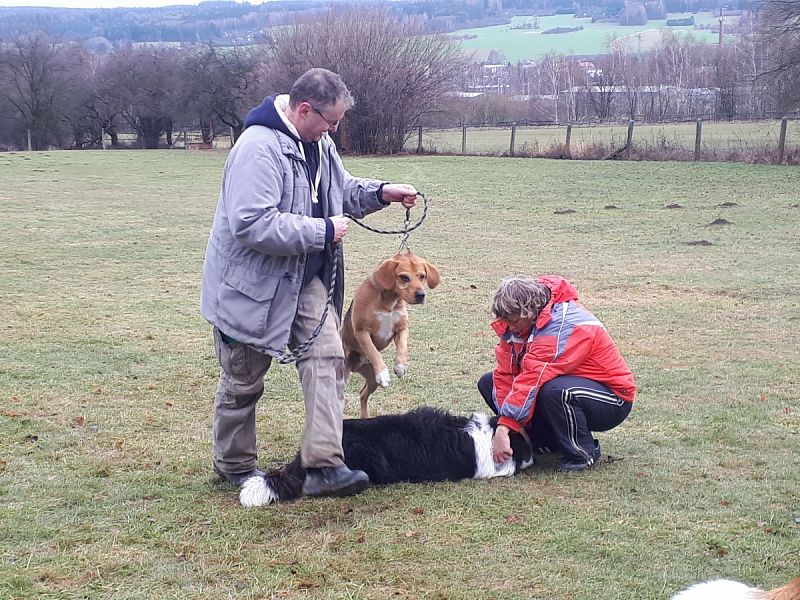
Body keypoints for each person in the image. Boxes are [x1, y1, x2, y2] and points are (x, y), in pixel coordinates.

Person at [200, 68, 418, 497]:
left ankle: (323, 465)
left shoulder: (320, 142)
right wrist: (322, 232)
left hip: (307, 280)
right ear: (304, 109)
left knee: (328, 362)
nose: (334, 129)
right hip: (251, 289)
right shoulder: (258, 150)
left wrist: (381, 193)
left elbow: (339, 192)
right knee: (244, 380)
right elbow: (251, 223)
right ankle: (234, 463)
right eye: (330, 121)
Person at [477, 275, 636, 472]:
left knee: (556, 391)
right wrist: (513, 427)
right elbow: (506, 375)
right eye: (506, 321)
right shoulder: (519, 327)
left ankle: (583, 452)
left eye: (514, 320)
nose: (510, 327)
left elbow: (532, 378)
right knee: (489, 382)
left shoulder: (563, 326)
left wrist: (504, 427)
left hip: (612, 398)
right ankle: (544, 442)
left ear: (530, 310)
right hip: (564, 387)